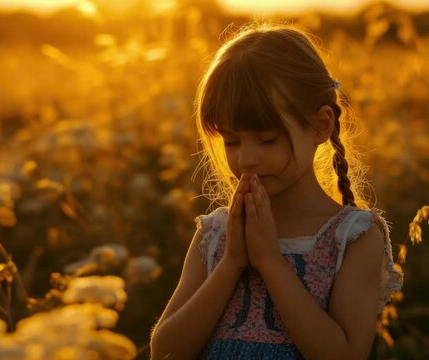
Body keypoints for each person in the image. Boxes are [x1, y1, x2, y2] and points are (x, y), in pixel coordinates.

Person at [149, 23, 403, 359]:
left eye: (267, 139)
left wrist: (270, 261)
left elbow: (344, 355)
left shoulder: (351, 238)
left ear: (320, 126)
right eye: (231, 140)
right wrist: (231, 263)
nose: (246, 159)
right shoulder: (217, 235)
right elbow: (165, 351)